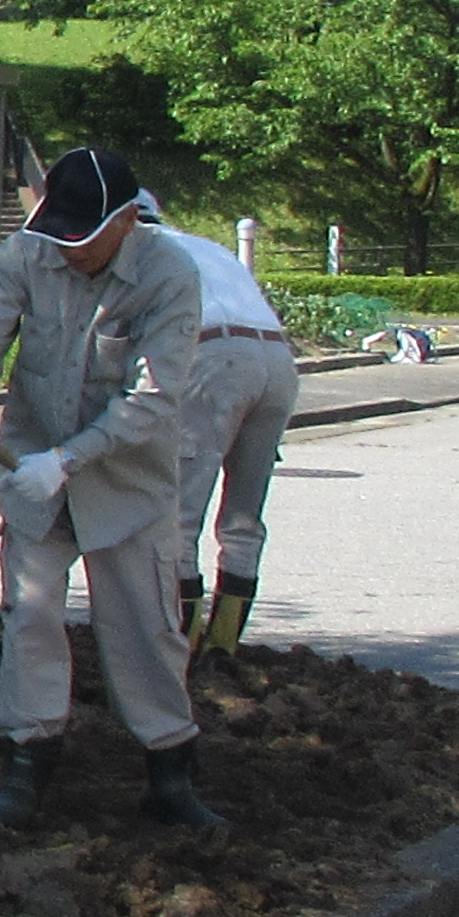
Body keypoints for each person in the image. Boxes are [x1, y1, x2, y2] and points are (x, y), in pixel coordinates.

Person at [0, 143, 218, 833]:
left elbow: (152, 394)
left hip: (124, 480)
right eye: (59, 235)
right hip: (31, 472)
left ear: (126, 220)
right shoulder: (31, 254)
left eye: (84, 238)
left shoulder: (168, 275)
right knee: (29, 616)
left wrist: (69, 458)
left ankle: (168, 770)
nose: (69, 251)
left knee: (145, 625)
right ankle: (29, 760)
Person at [143, 198, 301, 649]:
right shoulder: (208, 246)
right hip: (276, 362)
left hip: (214, 359)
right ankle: (225, 644)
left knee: (179, 514)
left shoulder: (139, 250)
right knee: (244, 518)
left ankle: (181, 647)